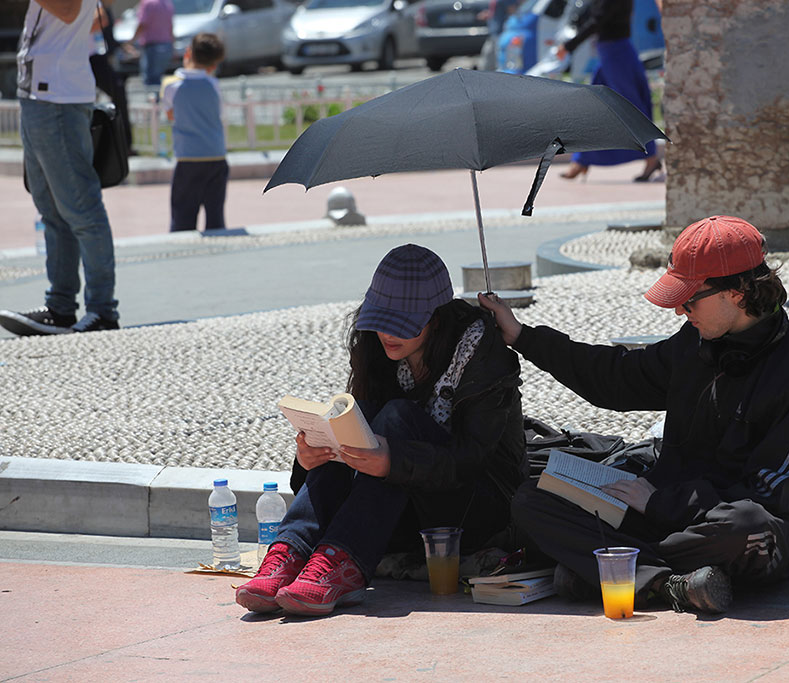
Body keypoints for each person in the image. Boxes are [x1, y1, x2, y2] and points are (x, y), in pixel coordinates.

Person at [478, 216, 789, 614]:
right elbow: (614, 377)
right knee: (531, 500)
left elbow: (772, 497)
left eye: (690, 299)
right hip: (661, 511)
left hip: (722, 527)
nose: (680, 311)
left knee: (749, 528)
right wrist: (523, 336)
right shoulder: (695, 342)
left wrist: (663, 503)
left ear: (737, 292)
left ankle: (610, 567)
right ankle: (668, 584)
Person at [236, 244, 527, 617]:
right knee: (350, 421)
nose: (387, 333)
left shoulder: (482, 354)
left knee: (394, 419)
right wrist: (308, 458)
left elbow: (472, 460)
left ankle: (341, 562)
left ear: (435, 318)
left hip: (475, 511)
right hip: (403, 512)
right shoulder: (377, 354)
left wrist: (394, 460)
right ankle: (291, 551)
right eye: (382, 320)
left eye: (402, 323)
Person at [0, 0, 120, 336]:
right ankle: (61, 307)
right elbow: (92, 16)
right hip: (42, 95)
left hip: (57, 98)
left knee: (82, 208)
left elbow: (69, 10)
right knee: (52, 209)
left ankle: (102, 311)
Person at [557, 0, 661, 183]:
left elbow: (598, 20)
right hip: (610, 53)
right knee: (595, 108)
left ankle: (651, 158)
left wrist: (569, 46)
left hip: (616, 54)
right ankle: (582, 161)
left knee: (629, 109)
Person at [159, 33, 228, 232]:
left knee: (182, 216)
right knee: (215, 216)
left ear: (188, 53)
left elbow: (171, 115)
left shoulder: (172, 86)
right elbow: (219, 113)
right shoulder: (214, 85)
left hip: (188, 158)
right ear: (214, 63)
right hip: (216, 156)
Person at [90, 0, 133, 153]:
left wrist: (122, 46)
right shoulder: (94, 5)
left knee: (118, 91)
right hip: (80, 59)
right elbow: (100, 21)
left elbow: (107, 36)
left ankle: (124, 144)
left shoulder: (105, 8)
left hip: (97, 57)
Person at [131, 0, 173, 98]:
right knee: (157, 78)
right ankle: (157, 104)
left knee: (150, 80)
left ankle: (154, 107)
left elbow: (142, 24)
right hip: (166, 45)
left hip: (152, 47)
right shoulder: (167, 3)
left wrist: (131, 41)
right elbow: (170, 26)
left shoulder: (148, 3)